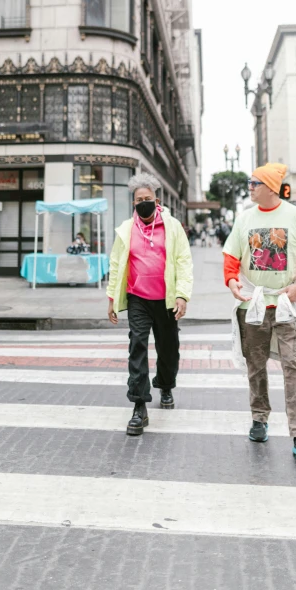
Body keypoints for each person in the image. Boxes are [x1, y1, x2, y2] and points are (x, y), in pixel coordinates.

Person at [223, 162, 296, 460]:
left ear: (269, 187)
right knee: (256, 367)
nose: (249, 187)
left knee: (295, 368)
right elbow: (231, 255)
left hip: (284, 306)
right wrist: (231, 281)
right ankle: (259, 419)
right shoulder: (244, 219)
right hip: (252, 305)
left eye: (254, 183)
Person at [107, 173, 193, 436]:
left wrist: (182, 295)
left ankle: (165, 385)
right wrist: (112, 298)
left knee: (168, 348)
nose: (143, 203)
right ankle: (139, 405)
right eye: (138, 200)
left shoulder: (173, 227)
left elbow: (183, 261)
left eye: (147, 199)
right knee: (138, 346)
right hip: (138, 298)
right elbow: (115, 265)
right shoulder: (125, 230)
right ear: (133, 203)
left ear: (157, 200)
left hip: (166, 299)